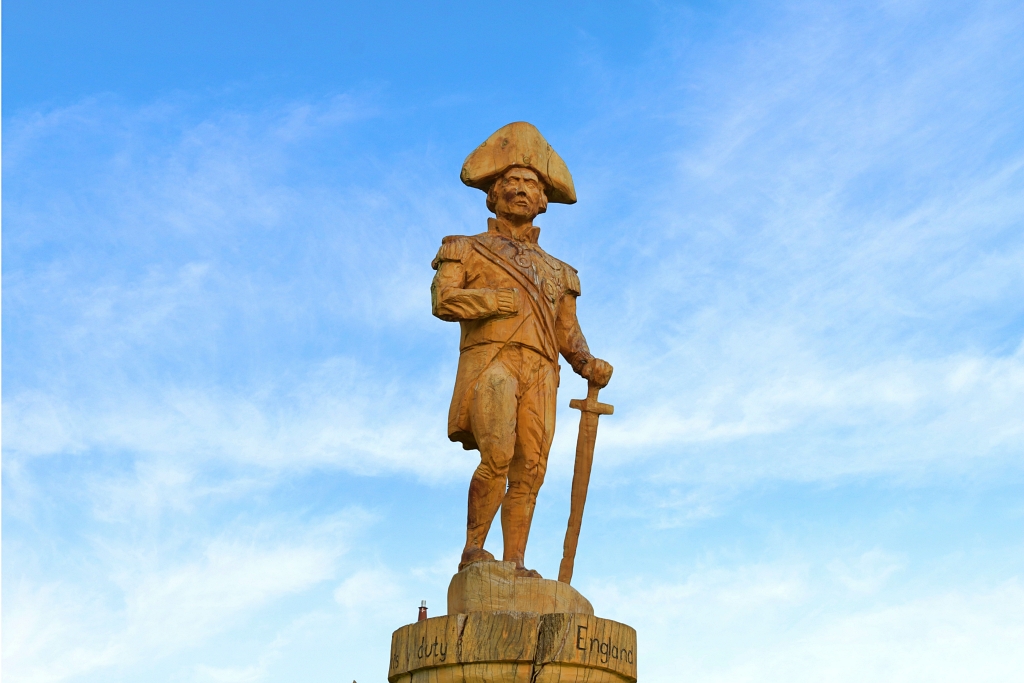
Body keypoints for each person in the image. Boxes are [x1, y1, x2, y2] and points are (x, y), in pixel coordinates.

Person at [431, 122, 613, 578]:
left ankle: (515, 562)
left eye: (530, 184)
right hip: (493, 360)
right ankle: (474, 550)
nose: (519, 190)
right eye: (509, 182)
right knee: (497, 453)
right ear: (493, 194)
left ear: (542, 201)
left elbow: (567, 330)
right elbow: (442, 300)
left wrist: (587, 362)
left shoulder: (559, 271)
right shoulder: (465, 248)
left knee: (530, 467)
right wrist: (491, 301)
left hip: (541, 370)